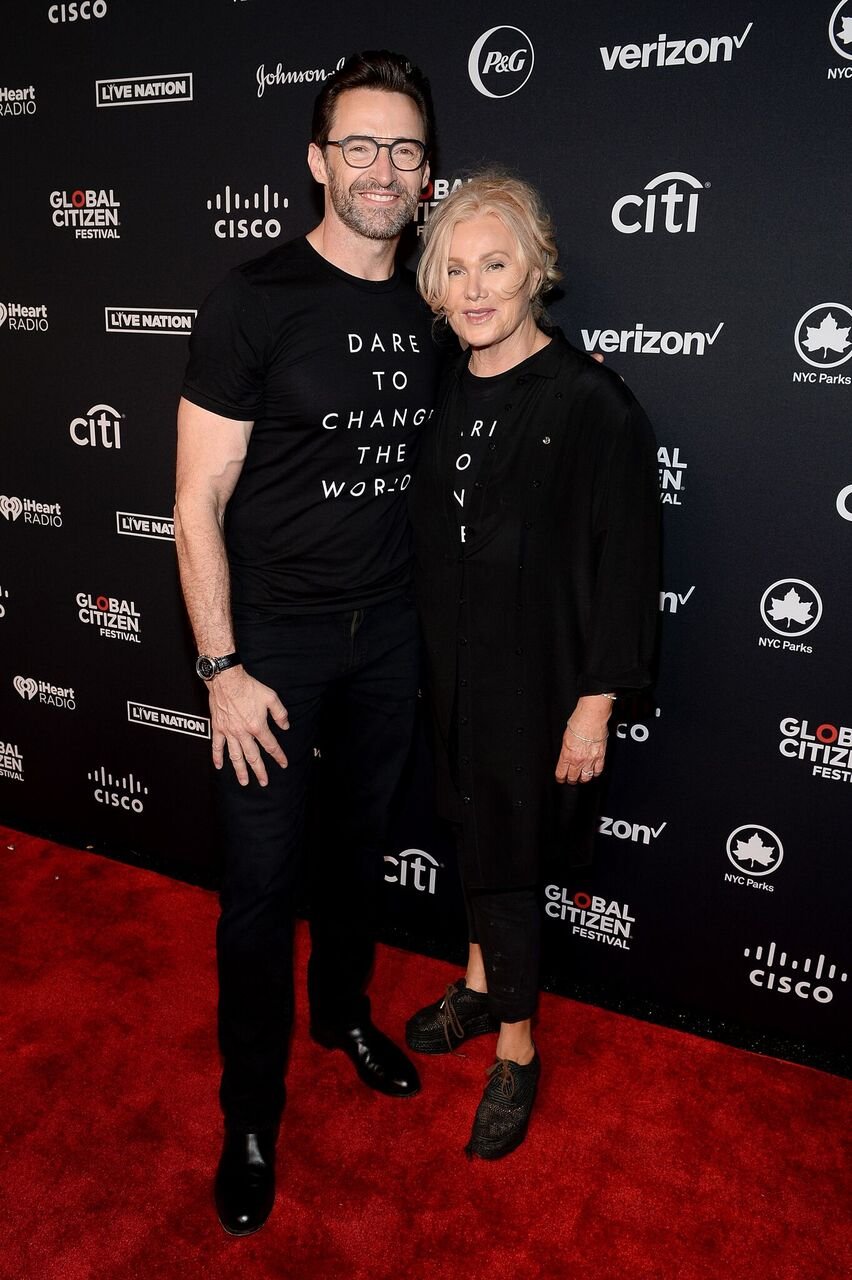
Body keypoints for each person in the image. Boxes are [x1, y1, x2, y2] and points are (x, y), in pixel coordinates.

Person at [174, 51, 439, 1235]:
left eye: (408, 149)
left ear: (428, 170)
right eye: (363, 146)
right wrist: (223, 670)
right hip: (270, 644)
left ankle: (343, 1012)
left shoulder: (442, 296)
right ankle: (250, 1113)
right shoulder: (253, 299)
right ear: (319, 161)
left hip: (391, 632)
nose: (385, 169)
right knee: (258, 891)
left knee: (360, 847)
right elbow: (196, 501)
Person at [404, 172, 660, 1159]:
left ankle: (517, 1044)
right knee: (473, 831)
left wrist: (595, 704)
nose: (475, 289)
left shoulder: (593, 402)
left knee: (509, 853)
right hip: (454, 670)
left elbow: (629, 560)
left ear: (535, 274)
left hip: (542, 681)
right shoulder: (447, 384)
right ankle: (479, 983)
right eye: (455, 269)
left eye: (495, 265)